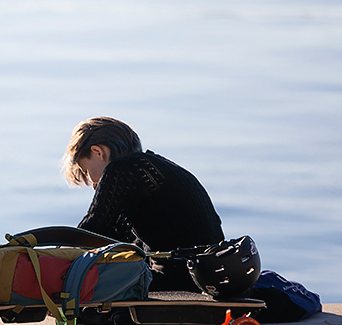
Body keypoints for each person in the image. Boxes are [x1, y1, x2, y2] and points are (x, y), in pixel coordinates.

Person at [63, 116, 224, 291]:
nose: (94, 186)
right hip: (210, 277)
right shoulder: (159, 168)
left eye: (86, 171)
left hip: (178, 280)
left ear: (97, 152)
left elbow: (91, 235)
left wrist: (51, 256)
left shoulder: (123, 169)